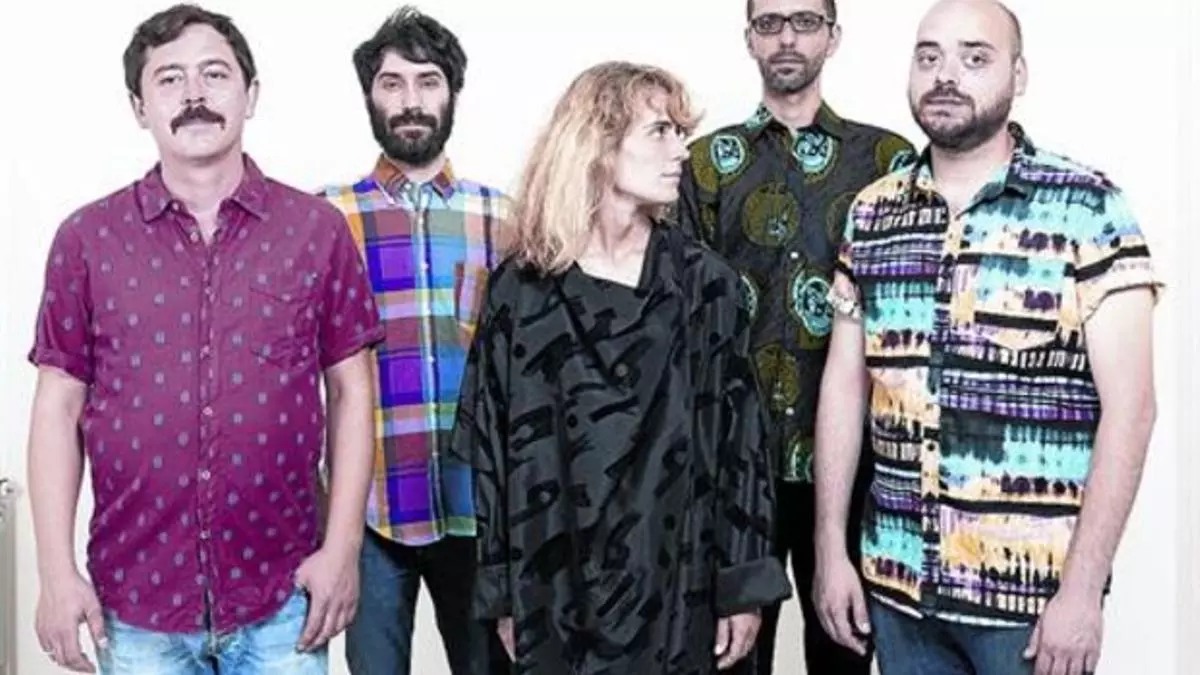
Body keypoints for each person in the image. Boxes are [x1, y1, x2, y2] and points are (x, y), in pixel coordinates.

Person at [25, 4, 384, 674]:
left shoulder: (316, 231)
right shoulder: (87, 240)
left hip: (283, 597)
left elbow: (352, 391)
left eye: (215, 74)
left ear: (252, 94)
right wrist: (55, 572)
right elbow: (56, 407)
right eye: (169, 79)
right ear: (139, 106)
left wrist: (342, 550)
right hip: (136, 602)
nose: (194, 94)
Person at [812, 1, 1162, 674]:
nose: (946, 75)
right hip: (899, 590)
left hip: (1032, 605)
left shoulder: (1088, 209)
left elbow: (1134, 408)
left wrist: (1083, 590)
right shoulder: (873, 214)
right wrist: (830, 546)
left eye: (975, 58)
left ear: (1018, 75)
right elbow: (844, 386)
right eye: (929, 56)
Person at [449, 61, 793, 674]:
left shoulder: (704, 284)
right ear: (599, 146)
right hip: (555, 589)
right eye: (660, 132)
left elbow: (741, 446)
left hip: (681, 588)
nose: (681, 151)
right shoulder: (521, 292)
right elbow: (493, 451)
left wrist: (743, 586)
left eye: (681, 133)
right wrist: (502, 592)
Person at [674, 0, 915, 672]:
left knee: (844, 655)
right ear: (749, 38)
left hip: (853, 466)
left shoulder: (887, 160)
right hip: (732, 468)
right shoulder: (705, 164)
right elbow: (681, 326)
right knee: (728, 658)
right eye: (770, 22)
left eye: (805, 21)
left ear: (833, 38)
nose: (786, 37)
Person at [317, 6, 510, 675]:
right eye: (391, 83)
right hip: (367, 509)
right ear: (368, 96)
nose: (410, 101)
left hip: (477, 505)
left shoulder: (504, 218)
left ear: (453, 92)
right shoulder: (324, 219)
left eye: (428, 82)